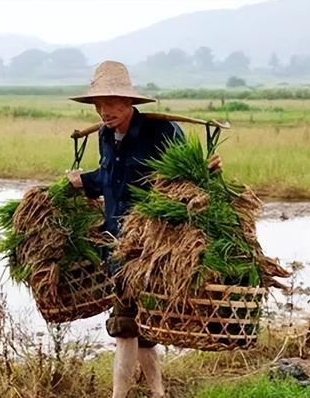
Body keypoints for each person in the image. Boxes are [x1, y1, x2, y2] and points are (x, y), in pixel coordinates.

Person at [67, 61, 221, 398]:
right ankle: (157, 393)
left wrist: (205, 170)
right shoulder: (106, 136)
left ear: (129, 102)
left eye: (111, 104)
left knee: (134, 326)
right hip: (118, 244)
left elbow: (186, 181)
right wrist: (83, 181)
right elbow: (110, 180)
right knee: (129, 325)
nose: (104, 112)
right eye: (99, 104)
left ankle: (123, 395)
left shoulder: (162, 133)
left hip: (152, 245)